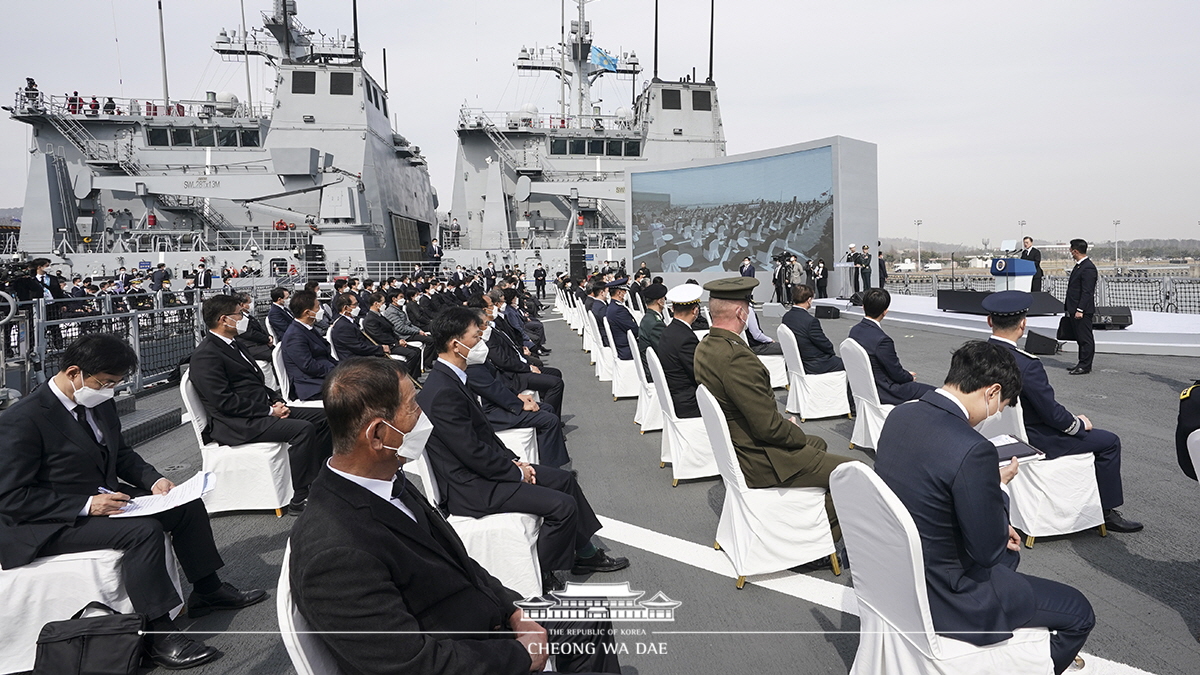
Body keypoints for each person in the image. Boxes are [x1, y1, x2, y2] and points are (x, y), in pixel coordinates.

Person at [288, 358, 620, 674]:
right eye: (413, 409)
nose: (422, 417)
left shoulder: (385, 481)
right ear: (378, 435)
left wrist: (514, 610)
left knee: (589, 620)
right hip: (467, 653)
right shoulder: (335, 552)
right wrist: (520, 654)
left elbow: (461, 564)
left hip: (482, 622)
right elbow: (413, 664)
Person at [0, 334, 266, 670]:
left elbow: (120, 452)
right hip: (47, 522)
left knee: (185, 505)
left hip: (101, 500)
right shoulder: (23, 419)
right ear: (73, 372)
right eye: (106, 382)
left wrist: (154, 480)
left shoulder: (97, 400)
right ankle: (158, 634)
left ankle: (207, 589)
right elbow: (11, 498)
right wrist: (87, 505)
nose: (111, 390)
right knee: (143, 532)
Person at [874, 340, 1094, 675]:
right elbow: (987, 551)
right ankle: (1035, 661)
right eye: (1002, 405)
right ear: (992, 392)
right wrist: (999, 487)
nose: (999, 413)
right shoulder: (973, 449)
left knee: (1009, 554)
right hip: (945, 594)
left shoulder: (901, 415)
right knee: (1079, 612)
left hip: (893, 574)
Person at [417, 307, 628, 591]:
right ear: (457, 344)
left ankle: (585, 554)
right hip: (473, 489)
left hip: (485, 474)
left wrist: (517, 462)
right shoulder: (443, 391)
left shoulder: (453, 378)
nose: (481, 342)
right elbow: (472, 452)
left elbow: (483, 439)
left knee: (564, 480)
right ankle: (542, 572)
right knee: (561, 507)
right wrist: (516, 473)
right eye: (476, 337)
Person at [693, 277, 854, 544]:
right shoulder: (737, 358)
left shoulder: (705, 347)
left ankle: (798, 514)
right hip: (760, 458)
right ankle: (808, 540)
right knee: (855, 473)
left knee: (819, 442)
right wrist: (793, 429)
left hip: (741, 448)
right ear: (741, 312)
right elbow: (768, 428)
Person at [983, 290, 1142, 533]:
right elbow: (1052, 415)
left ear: (990, 321)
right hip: (1034, 439)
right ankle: (1106, 512)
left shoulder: (976, 355)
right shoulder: (1027, 364)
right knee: (1109, 442)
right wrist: (1078, 424)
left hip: (995, 437)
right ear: (1023, 324)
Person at [189, 295, 333, 513]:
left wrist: (276, 399)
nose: (244, 318)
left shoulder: (234, 344)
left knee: (325, 417)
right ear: (224, 319)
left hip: (259, 411)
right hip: (237, 423)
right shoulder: (206, 355)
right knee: (303, 430)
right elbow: (224, 401)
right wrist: (269, 411)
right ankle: (299, 496)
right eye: (239, 314)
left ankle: (318, 476)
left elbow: (253, 382)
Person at [464, 306, 571, 468]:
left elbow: (495, 384)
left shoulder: (477, 356)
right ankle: (553, 469)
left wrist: (517, 396)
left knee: (548, 409)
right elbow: (493, 388)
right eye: (476, 335)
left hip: (500, 398)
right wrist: (519, 403)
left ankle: (548, 457)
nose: (480, 338)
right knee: (549, 418)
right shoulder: (469, 365)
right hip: (490, 413)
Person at [847, 288, 936, 405]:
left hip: (863, 388)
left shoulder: (855, 330)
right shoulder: (882, 340)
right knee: (936, 393)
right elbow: (896, 372)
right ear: (885, 311)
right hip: (885, 390)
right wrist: (908, 377)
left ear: (863, 307)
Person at [280, 290, 338, 401]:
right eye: (317, 308)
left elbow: (324, 354)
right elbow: (308, 366)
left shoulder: (308, 328)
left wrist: (342, 368)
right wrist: (336, 372)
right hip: (310, 384)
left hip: (323, 374)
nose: (320, 310)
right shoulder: (294, 335)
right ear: (307, 313)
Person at [657, 284, 704, 418]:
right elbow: (700, 373)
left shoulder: (668, 331)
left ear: (672, 309)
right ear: (695, 311)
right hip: (689, 403)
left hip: (676, 396)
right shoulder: (686, 338)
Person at [781, 284, 843, 374]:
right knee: (849, 364)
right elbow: (825, 344)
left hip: (797, 361)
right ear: (809, 300)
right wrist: (831, 353)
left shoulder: (786, 317)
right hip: (813, 363)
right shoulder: (811, 321)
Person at [362, 292, 423, 379]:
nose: (384, 305)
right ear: (376, 304)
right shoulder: (370, 319)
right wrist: (396, 342)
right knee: (412, 354)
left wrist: (399, 339)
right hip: (386, 345)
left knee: (417, 350)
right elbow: (379, 336)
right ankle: (406, 378)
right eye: (382, 303)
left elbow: (391, 329)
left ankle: (414, 377)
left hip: (393, 341)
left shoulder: (379, 315)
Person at [1064, 238, 1097, 375]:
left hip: (1082, 310)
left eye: (1071, 250)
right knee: (1079, 338)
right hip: (1074, 308)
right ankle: (1081, 362)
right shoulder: (1079, 266)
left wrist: (1080, 309)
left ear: (1076, 251)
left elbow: (1087, 292)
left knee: (1085, 338)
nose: (1071, 253)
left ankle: (1085, 365)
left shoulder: (1088, 267)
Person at [604, 280, 639, 361]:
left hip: (623, 346)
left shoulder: (613, 307)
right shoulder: (618, 310)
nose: (626, 294)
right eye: (625, 292)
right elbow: (634, 330)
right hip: (627, 349)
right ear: (619, 293)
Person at [636, 283, 668, 365]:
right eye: (664, 299)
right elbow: (665, 350)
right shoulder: (656, 324)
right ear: (660, 301)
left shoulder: (648, 318)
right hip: (655, 370)